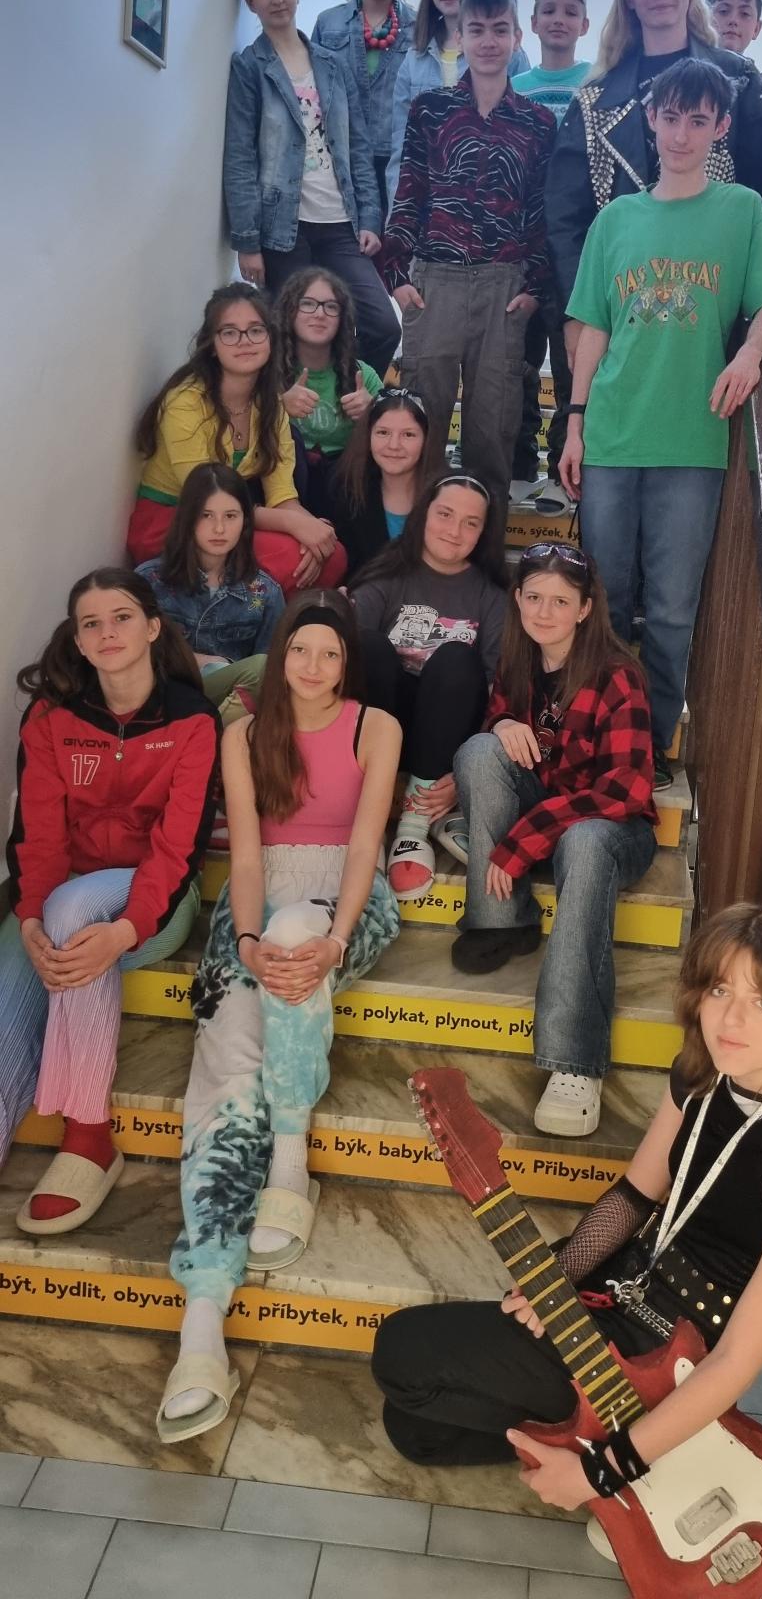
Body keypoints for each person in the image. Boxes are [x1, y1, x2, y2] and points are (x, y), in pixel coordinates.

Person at [372, 901, 762, 1552]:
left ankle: (635, 1454)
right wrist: (561, 1275)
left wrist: (597, 1473)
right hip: (625, 1289)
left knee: (402, 1351)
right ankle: (606, 1439)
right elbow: (636, 1195)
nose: (731, 1019)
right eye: (720, 990)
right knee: (415, 1428)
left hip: (679, 1358)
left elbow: (735, 1363)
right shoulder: (703, 1072)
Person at [157, 590, 401, 1444]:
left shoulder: (376, 728)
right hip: (258, 910)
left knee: (301, 933)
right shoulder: (242, 735)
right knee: (227, 1059)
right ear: (280, 654)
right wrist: (251, 939)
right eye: (301, 649)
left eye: (331, 653)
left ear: (348, 663)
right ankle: (202, 1322)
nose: (314, 666)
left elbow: (365, 846)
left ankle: (290, 1161)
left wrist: (332, 940)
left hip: (347, 902)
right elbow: (251, 860)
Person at [560, 57, 762, 788]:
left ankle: (654, 746)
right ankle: (591, 739)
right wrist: (574, 422)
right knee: (604, 603)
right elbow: (593, 330)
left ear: (720, 127)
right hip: (611, 435)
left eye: (699, 120)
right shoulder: (615, 219)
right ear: (651, 120)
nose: (682, 134)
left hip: (693, 443)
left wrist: (750, 353)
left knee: (669, 611)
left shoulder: (742, 211)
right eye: (671, 118)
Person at [0, 569, 218, 1234]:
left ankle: (89, 1135)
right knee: (7, 1021)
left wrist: (124, 930)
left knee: (74, 912)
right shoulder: (51, 719)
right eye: (90, 623)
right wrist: (29, 919)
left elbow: (177, 851)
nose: (107, 632)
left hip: (151, 905)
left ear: (152, 628)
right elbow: (36, 835)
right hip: (55, 898)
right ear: (78, 640)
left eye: (121, 617)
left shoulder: (192, 719)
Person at [452, 542, 656, 1137]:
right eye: (534, 597)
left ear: (585, 609)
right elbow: (496, 724)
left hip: (612, 829)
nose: (544, 612)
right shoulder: (520, 658)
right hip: (549, 808)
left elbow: (625, 791)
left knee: (585, 843)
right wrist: (502, 723)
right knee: (479, 751)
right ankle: (500, 919)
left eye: (561, 601)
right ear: (517, 599)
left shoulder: (618, 675)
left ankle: (575, 1063)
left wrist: (523, 840)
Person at [546, 0, 762, 345]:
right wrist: (576, 314)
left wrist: (746, 288)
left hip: (711, 310)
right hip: (615, 313)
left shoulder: (737, 80)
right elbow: (565, 217)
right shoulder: (594, 100)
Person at [378, 0, 557, 502]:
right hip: (434, 283)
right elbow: (409, 191)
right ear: (460, 36)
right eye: (476, 30)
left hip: (505, 287)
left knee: (492, 436)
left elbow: (539, 211)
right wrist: (396, 277)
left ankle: (487, 552)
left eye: (500, 30)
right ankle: (416, 545)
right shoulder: (430, 110)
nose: (488, 41)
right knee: (423, 430)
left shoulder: (538, 123)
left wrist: (536, 287)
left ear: (517, 36)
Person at [223, 0, 399, 378]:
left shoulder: (332, 65)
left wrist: (370, 219)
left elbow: (358, 147)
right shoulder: (249, 68)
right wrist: (247, 241)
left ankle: (344, 401)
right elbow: (240, 157)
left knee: (382, 326)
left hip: (340, 224)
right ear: (250, 1)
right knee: (292, 340)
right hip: (283, 231)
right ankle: (299, 419)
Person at [127, 284, 346, 599]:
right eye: (230, 332)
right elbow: (207, 501)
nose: (245, 341)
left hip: (233, 519)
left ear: (270, 339)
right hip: (175, 520)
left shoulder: (270, 403)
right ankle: (235, 617)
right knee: (292, 558)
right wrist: (293, 525)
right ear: (212, 344)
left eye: (256, 330)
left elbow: (282, 494)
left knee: (331, 553)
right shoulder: (185, 402)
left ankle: (264, 619)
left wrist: (312, 532)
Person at [351, 473, 509, 899]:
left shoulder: (492, 597)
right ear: (423, 515)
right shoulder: (388, 574)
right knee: (364, 645)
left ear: (483, 533)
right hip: (382, 733)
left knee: (457, 657)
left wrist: (468, 770)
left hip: (445, 739)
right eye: (445, 514)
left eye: (471, 523)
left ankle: (413, 827)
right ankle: (361, 817)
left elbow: (497, 693)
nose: (455, 530)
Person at [511, 0, 591, 512]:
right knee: (518, 366)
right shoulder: (515, 87)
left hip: (574, 254)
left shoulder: (597, 83)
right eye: (549, 10)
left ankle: (564, 474)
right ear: (534, 23)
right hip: (521, 250)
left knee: (569, 368)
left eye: (569, 11)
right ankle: (519, 469)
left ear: (584, 24)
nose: (559, 19)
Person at [136, 463, 284, 724]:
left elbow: (268, 677)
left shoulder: (265, 592)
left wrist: (225, 670)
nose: (219, 528)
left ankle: (209, 737)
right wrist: (198, 661)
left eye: (231, 516)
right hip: (160, 697)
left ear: (245, 521)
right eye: (206, 515)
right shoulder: (148, 581)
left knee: (264, 668)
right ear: (188, 518)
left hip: (225, 710)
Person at [385, 0, 528, 207]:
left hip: (490, 203)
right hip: (426, 207)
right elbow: (401, 151)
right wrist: (398, 212)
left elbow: (523, 137)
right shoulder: (413, 61)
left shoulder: (511, 55)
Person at [312, 0, 416, 218]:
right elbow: (314, 92)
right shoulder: (328, 24)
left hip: (396, 160)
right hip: (339, 156)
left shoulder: (419, 28)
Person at [275, 266, 383, 517]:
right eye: (308, 304)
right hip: (286, 485)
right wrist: (278, 406)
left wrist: (374, 413)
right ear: (290, 311)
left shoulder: (362, 374)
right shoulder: (269, 370)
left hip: (346, 489)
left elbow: (397, 429)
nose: (320, 314)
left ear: (342, 319)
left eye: (331, 307)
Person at [329, 387, 437, 578]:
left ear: (426, 439)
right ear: (368, 435)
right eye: (383, 432)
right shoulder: (345, 491)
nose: (394, 445)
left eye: (408, 435)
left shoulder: (447, 495)